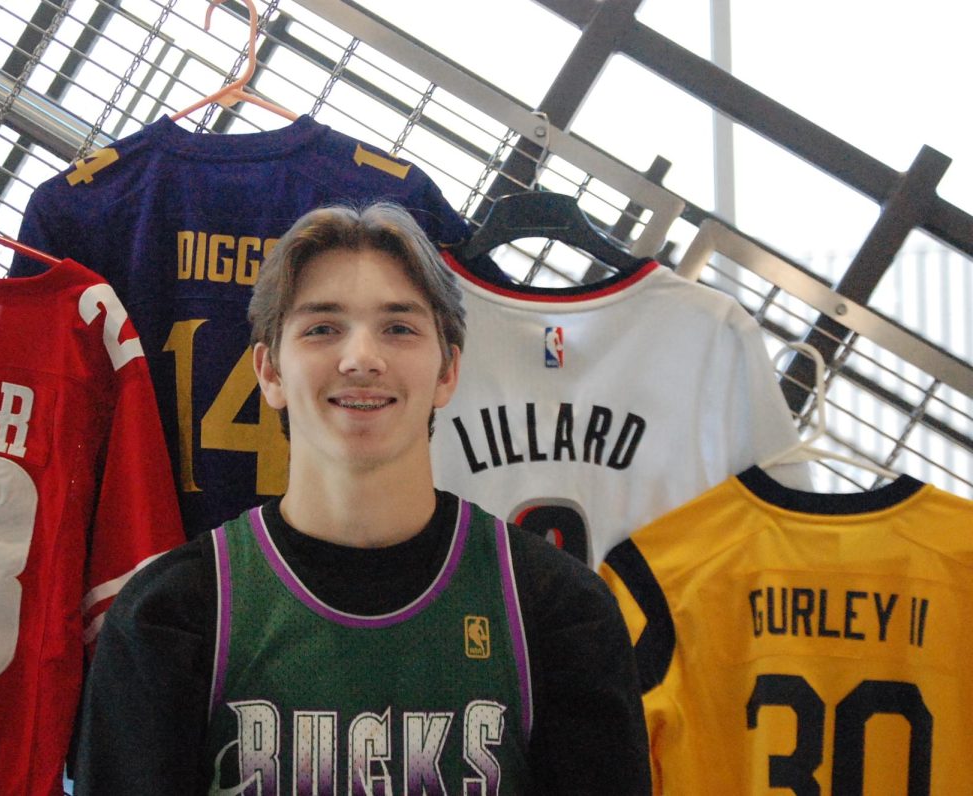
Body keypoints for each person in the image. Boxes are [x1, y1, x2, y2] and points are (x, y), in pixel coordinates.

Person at [74, 202, 651, 794]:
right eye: (323, 328)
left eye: (398, 327)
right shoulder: (171, 614)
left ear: (448, 370)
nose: (361, 359)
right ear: (269, 371)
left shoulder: (558, 612)